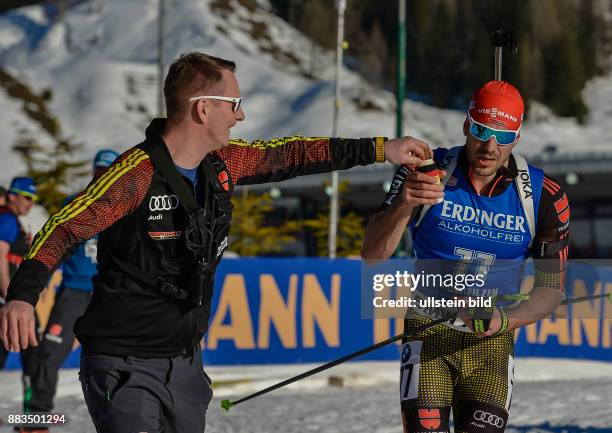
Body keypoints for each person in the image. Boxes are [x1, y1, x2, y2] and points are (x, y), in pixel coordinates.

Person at [0, 52, 429, 433]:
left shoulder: (223, 162)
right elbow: (63, 226)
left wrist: (379, 148)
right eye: (234, 104)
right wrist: (22, 295)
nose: (240, 115)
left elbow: (293, 154)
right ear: (203, 109)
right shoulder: (136, 174)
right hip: (124, 365)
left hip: (185, 365)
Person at [362, 81, 570, 433]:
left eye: (503, 136)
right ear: (466, 125)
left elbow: (551, 290)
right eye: (481, 131)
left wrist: (504, 321)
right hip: (429, 334)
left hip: (492, 344)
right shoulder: (428, 172)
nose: (490, 147)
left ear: (517, 137)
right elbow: (372, 256)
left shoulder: (544, 196)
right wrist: (404, 204)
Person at [25, 150, 119, 423]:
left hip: (108, 293)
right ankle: (38, 419)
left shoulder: (125, 205)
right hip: (74, 291)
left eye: (108, 170)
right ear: (93, 171)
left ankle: (122, 418)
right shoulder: (75, 204)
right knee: (48, 354)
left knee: (119, 358)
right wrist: (40, 277)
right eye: (99, 169)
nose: (103, 175)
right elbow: (55, 245)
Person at [0, 177, 40, 411]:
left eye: (33, 199)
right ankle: (32, 414)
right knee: (33, 352)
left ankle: (31, 412)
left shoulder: (12, 220)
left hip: (12, 298)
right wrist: (9, 294)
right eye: (27, 197)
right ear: (12, 196)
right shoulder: (7, 220)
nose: (30, 203)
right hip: (9, 300)